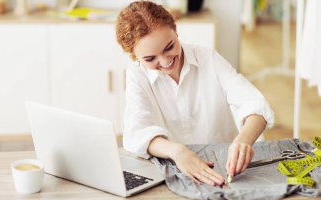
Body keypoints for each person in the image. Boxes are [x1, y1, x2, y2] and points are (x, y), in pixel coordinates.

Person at [116, 1, 274, 186]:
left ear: (175, 29)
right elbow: (136, 132)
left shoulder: (208, 58)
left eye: (169, 47)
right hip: (175, 170)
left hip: (226, 168)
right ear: (135, 57)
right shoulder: (136, 74)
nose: (165, 61)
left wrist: (244, 140)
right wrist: (178, 152)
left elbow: (255, 104)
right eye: (150, 58)